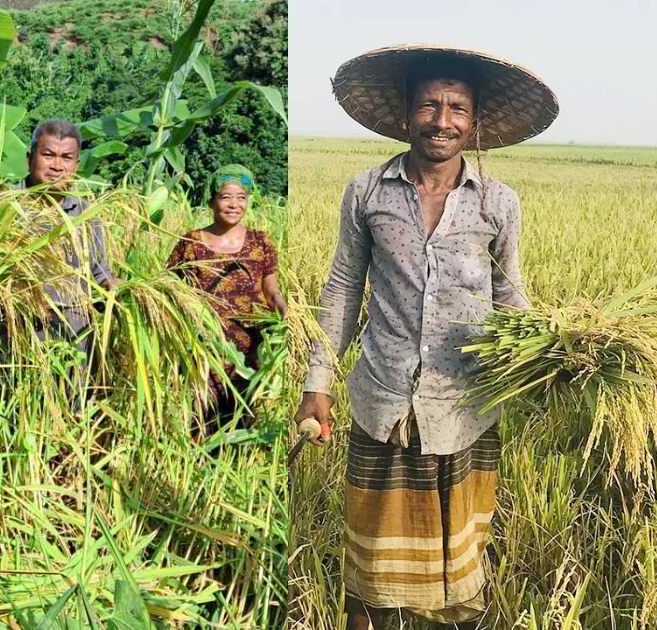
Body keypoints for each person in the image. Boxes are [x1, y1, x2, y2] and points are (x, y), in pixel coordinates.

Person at [293, 45, 558, 629]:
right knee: (369, 568)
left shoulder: (499, 202)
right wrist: (319, 382)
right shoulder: (367, 191)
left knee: (456, 564)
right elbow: (342, 287)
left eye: (457, 108)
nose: (442, 121)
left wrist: (556, 348)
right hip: (382, 398)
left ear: (475, 121)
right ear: (406, 115)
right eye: (429, 106)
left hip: (465, 404)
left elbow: (510, 294)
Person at [0, 119, 118, 357]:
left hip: (77, 349)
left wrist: (111, 285)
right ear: (29, 159)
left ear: (76, 165)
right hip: (18, 348)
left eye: (66, 158)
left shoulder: (87, 215)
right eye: (48, 155)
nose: (57, 166)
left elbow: (97, 272)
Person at [166, 165, 288, 433]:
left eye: (241, 197)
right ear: (212, 200)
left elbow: (271, 292)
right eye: (226, 197)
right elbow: (172, 292)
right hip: (203, 349)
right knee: (199, 420)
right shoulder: (191, 242)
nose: (234, 204)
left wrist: (285, 315)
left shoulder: (260, 242)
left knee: (241, 422)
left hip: (247, 352)